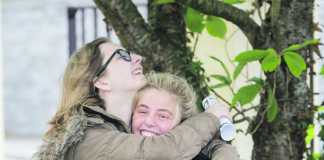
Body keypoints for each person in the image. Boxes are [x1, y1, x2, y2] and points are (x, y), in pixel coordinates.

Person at [32, 37, 230, 160]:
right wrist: (212, 117)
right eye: (122, 56)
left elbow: (210, 147)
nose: (137, 57)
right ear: (101, 81)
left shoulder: (127, 129)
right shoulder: (88, 139)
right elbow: (165, 151)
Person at [132, 72, 240, 160]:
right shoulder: (117, 146)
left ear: (182, 123)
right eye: (143, 111)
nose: (149, 122)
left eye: (162, 116)